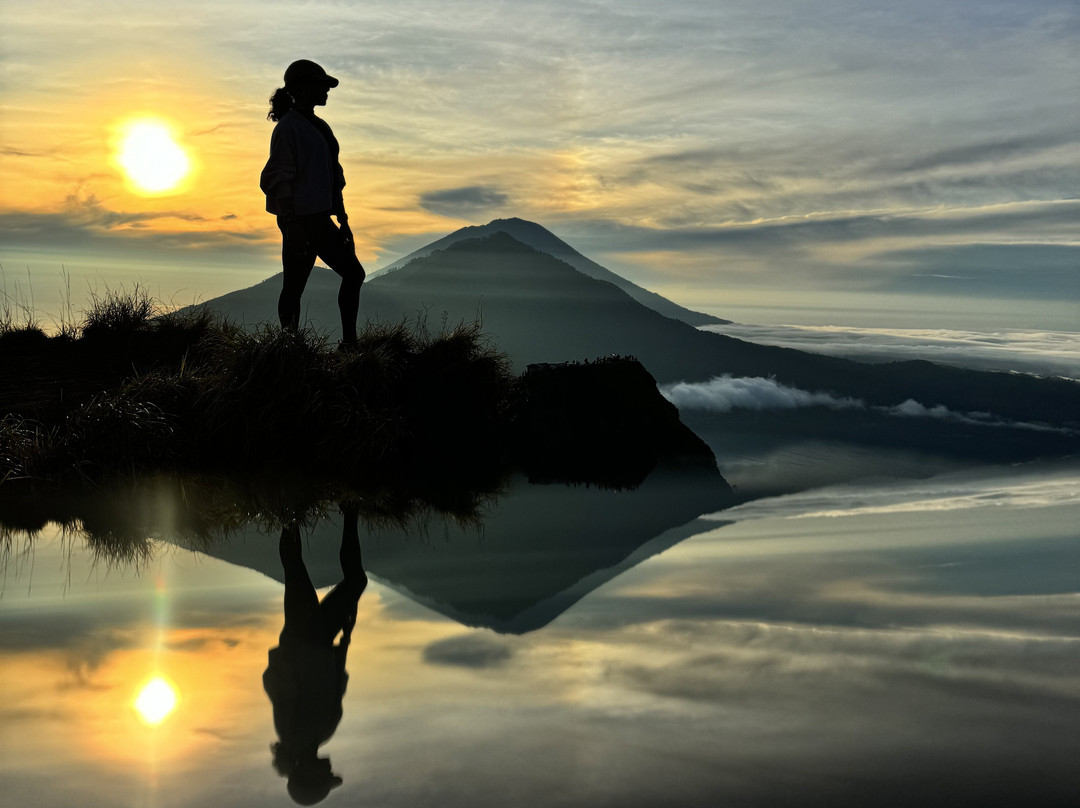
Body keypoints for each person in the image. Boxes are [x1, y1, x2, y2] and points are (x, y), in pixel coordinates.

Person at [263, 507, 368, 805]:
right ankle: (343, 509)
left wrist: (294, 644)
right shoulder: (319, 734)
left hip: (303, 637)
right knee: (347, 580)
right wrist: (344, 640)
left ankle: (289, 507)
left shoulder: (293, 733)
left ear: (307, 774)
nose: (331, 769)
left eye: (326, 775)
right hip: (318, 640)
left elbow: (280, 684)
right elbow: (336, 684)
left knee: (297, 571)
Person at [261, 59, 365, 349]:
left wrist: (342, 219)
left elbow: (334, 176)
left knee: (352, 275)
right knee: (294, 287)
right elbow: (280, 178)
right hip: (301, 220)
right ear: (303, 87)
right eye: (322, 85)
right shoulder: (289, 128)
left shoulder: (318, 126)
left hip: (318, 219)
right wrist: (292, 224)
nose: (327, 90)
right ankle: (290, 348)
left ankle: (348, 343)